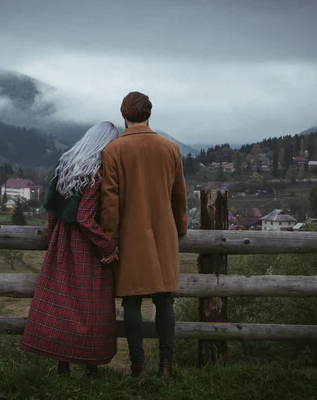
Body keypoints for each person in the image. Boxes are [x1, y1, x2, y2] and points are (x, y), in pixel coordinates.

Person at [20, 121, 121, 378]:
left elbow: (52, 210)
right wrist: (107, 244)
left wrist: (54, 240)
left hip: (62, 239)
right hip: (86, 245)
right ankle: (91, 367)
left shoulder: (65, 164)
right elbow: (85, 217)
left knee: (62, 302)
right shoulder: (95, 172)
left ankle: (62, 365)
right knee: (91, 304)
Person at [101, 92, 188, 378]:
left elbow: (110, 200)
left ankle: (138, 367)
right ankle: (166, 365)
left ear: (123, 115)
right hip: (164, 232)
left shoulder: (113, 151)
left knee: (131, 301)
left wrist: (109, 238)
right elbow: (179, 197)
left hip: (130, 234)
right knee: (165, 300)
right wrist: (181, 228)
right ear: (150, 114)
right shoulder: (171, 148)